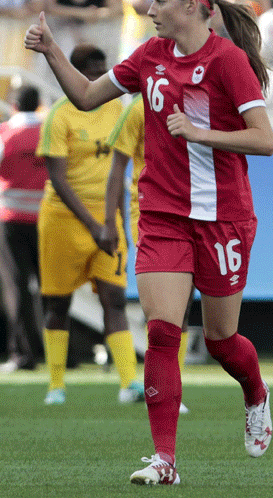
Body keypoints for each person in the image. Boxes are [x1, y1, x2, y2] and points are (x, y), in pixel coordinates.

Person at [26, 0, 273, 485]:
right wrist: (51, 51)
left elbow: (264, 140)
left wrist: (200, 133)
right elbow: (88, 96)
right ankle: (165, 461)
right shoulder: (150, 56)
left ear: (192, 6)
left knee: (220, 339)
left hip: (222, 217)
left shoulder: (227, 61)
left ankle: (255, 392)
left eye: (159, 0)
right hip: (162, 215)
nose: (148, 8)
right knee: (162, 333)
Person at [35, 44, 145, 407]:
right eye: (92, 71)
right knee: (57, 303)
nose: (101, 77)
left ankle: (130, 383)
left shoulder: (119, 110)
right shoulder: (60, 116)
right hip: (64, 220)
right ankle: (55, 384)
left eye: (103, 68)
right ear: (77, 75)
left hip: (107, 216)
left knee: (114, 297)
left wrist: (110, 222)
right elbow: (58, 180)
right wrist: (93, 224)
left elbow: (122, 167)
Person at [106, 94, 191, 415]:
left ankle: (172, 389)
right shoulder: (140, 108)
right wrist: (110, 222)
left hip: (193, 217)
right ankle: (160, 389)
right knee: (161, 311)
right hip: (151, 218)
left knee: (181, 311)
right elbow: (118, 166)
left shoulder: (199, 100)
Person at [0, 85, 47, 372]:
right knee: (51, 288)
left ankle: (22, 355)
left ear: (13, 105)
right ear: (39, 104)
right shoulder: (50, 131)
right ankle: (60, 354)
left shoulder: (2, 133)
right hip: (46, 219)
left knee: (16, 288)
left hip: (11, 219)